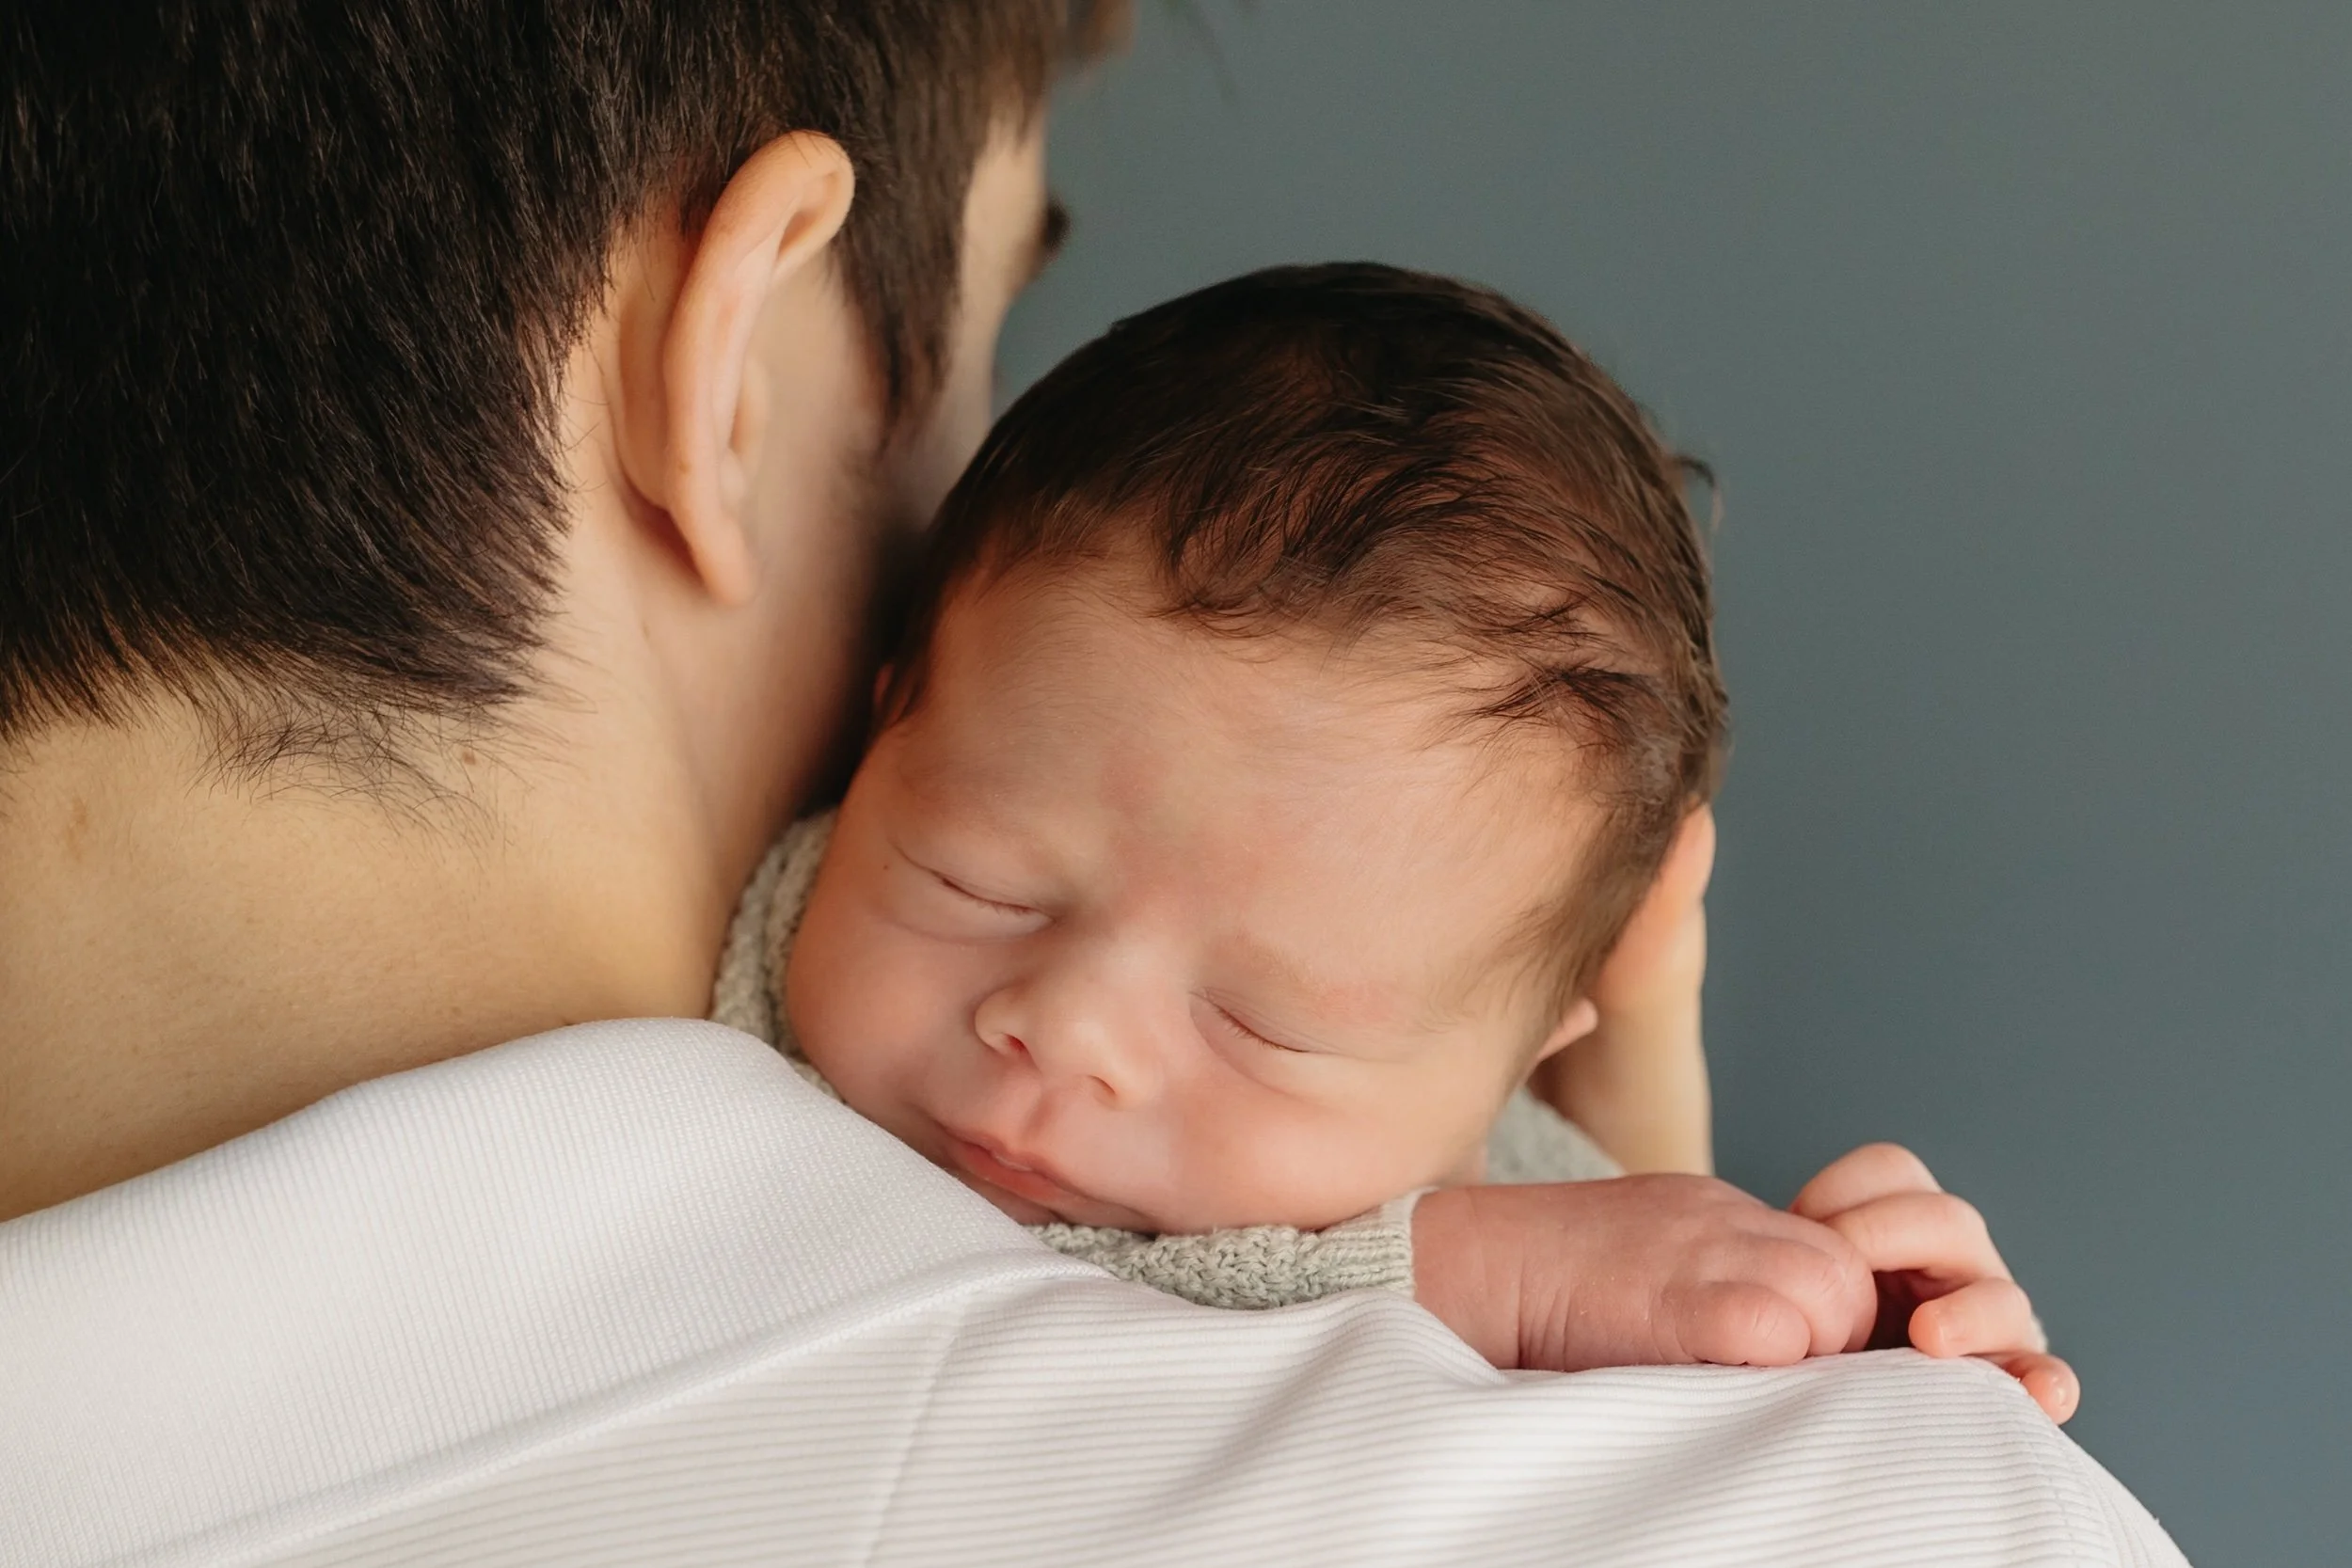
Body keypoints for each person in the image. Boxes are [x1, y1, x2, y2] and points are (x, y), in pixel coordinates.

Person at [0, 4, 2185, 1563]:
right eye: (966, 370)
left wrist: (1679, 1236)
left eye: (1267, 1013)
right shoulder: (1833, 1520)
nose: (1055, 1034)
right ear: (734, 363)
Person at [720, 261, 2065, 1399]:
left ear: (1510, 1078)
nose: (1064, 1025)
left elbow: (1654, 1311)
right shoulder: (728, 1026)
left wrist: (1837, 1345)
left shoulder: (1523, 1177)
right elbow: (926, 1313)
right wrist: (1471, 1276)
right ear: (886, 723)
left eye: (1263, 1021)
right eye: (981, 879)